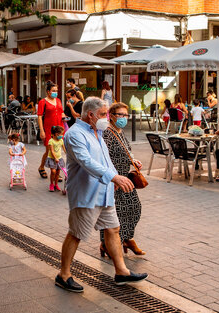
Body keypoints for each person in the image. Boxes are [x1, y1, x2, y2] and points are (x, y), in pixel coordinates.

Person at [56, 97, 147, 292]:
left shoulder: (98, 131)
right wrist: (114, 178)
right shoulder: (75, 134)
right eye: (104, 114)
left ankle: (121, 271)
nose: (107, 118)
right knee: (76, 234)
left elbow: (106, 161)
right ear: (91, 115)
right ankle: (63, 275)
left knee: (113, 229)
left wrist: (113, 178)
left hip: (104, 192)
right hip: (86, 193)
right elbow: (86, 161)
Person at [100, 102, 145, 258]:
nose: (123, 118)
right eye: (120, 115)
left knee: (134, 208)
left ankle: (126, 239)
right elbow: (104, 158)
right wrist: (112, 178)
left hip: (125, 177)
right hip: (114, 179)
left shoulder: (120, 132)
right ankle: (107, 244)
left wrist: (134, 161)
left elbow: (126, 152)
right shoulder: (107, 133)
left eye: (126, 115)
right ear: (111, 116)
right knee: (112, 214)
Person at [37, 81, 65, 179]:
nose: (55, 92)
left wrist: (65, 117)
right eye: (53, 91)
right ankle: (42, 167)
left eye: (56, 91)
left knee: (57, 149)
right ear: (48, 91)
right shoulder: (42, 102)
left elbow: (61, 113)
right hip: (49, 128)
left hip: (59, 128)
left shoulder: (58, 100)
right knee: (49, 150)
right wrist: (42, 130)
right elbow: (40, 117)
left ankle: (56, 171)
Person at [45, 126, 66, 192]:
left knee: (58, 172)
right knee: (53, 171)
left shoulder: (61, 141)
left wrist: (67, 153)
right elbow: (52, 151)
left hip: (59, 158)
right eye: (61, 134)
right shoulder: (51, 141)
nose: (62, 136)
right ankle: (51, 184)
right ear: (56, 134)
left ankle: (56, 184)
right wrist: (55, 158)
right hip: (52, 158)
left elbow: (64, 148)